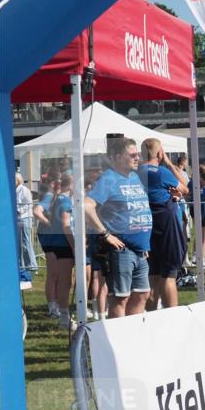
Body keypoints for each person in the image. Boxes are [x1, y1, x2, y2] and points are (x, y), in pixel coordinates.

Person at [84, 137, 153, 318]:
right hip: (121, 250)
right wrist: (105, 234)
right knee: (120, 297)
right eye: (132, 155)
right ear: (117, 157)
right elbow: (87, 206)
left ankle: (132, 331)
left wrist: (142, 243)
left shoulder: (134, 177)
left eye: (138, 154)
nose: (137, 158)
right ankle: (117, 333)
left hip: (140, 250)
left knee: (142, 294)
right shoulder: (108, 179)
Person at [138, 138, 188, 309]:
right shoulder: (161, 172)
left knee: (153, 276)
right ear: (160, 153)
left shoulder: (135, 172)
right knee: (169, 275)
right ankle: (172, 316)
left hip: (146, 224)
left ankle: (151, 314)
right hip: (166, 226)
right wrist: (169, 163)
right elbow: (185, 188)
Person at [47, 175, 77, 331]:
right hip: (63, 244)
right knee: (65, 282)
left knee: (66, 281)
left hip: (61, 243)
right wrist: (74, 246)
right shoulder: (64, 201)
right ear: (71, 185)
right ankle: (65, 318)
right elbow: (66, 225)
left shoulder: (61, 199)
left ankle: (65, 315)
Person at [34, 175, 61, 317]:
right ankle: (52, 307)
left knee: (58, 274)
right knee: (53, 273)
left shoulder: (59, 197)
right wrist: (49, 223)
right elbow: (36, 211)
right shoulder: (49, 196)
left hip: (57, 238)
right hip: (49, 238)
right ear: (53, 183)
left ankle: (57, 305)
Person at [16, 173, 37, 279]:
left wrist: (18, 210)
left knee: (26, 242)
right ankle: (22, 264)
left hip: (25, 217)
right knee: (20, 243)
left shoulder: (24, 190)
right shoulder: (15, 190)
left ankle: (31, 265)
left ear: (18, 180)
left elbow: (29, 204)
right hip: (18, 218)